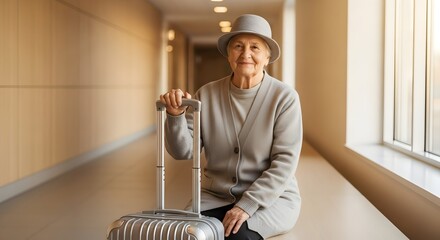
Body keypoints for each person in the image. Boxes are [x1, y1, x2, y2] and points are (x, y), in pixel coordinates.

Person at [160, 14, 302, 240]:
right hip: (214, 197)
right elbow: (183, 151)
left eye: (255, 47)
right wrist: (175, 116)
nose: (246, 54)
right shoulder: (206, 94)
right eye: (238, 46)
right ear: (229, 54)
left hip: (270, 199)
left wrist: (246, 205)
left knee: (236, 236)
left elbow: (285, 163)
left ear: (267, 57)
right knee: (186, 235)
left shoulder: (284, 98)